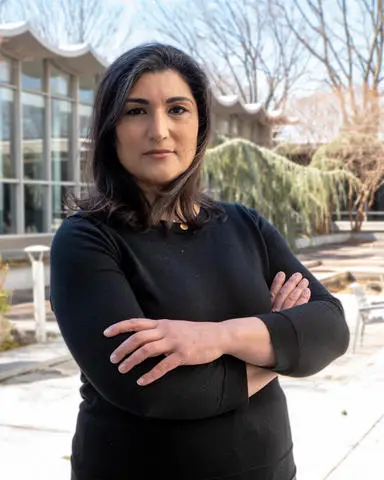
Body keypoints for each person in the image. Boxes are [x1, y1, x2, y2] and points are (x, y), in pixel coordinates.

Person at [50, 43, 349, 480]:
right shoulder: (86, 239)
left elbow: (330, 328)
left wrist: (218, 337)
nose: (159, 130)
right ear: (110, 129)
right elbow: (159, 390)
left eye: (177, 109)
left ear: (200, 124)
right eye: (136, 111)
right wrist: (280, 340)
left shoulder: (244, 225)